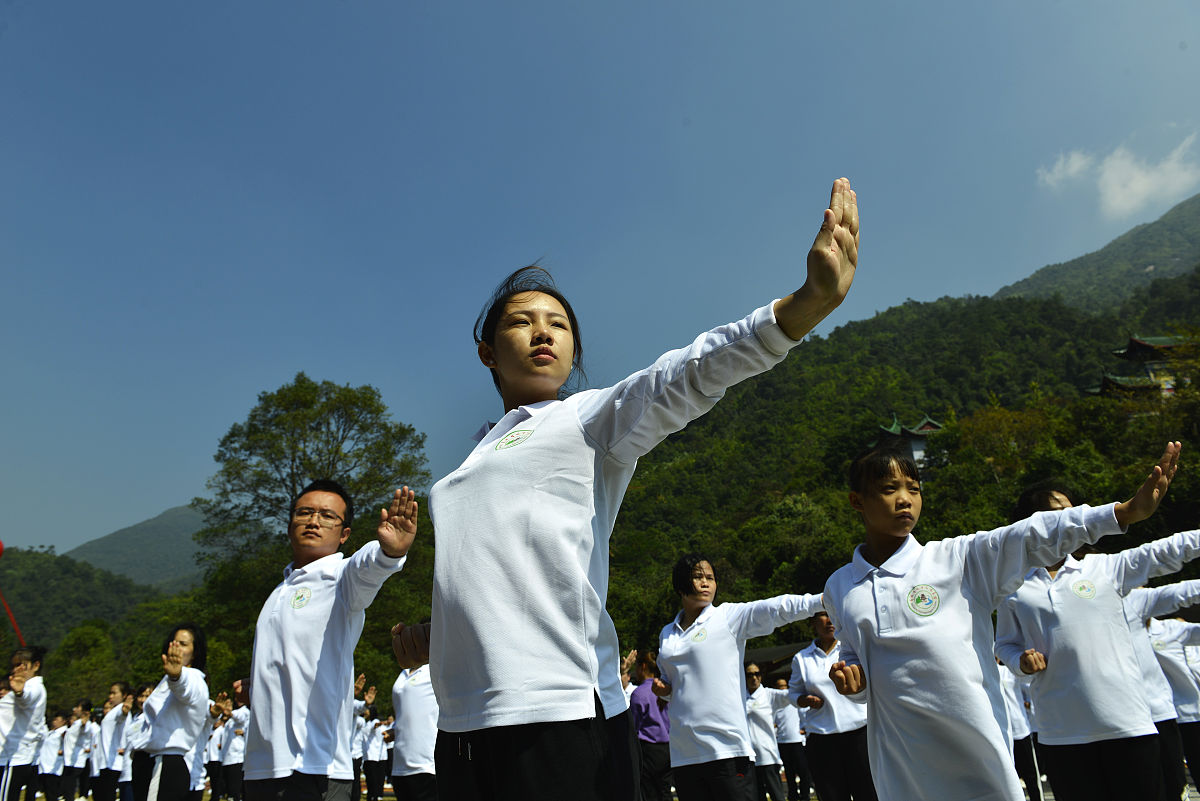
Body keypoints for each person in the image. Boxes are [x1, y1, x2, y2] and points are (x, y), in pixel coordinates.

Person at [389, 178, 860, 801]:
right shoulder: (469, 462)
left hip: (559, 715)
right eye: (521, 322)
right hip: (464, 727)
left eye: (558, 324)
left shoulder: (584, 419)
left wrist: (802, 307)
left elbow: (683, 375)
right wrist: (438, 635)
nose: (543, 332)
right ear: (486, 352)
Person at [824, 442, 1180, 801]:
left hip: (978, 760)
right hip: (900, 767)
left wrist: (1122, 513)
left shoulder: (957, 560)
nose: (905, 500)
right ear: (857, 501)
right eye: (890, 489)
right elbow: (857, 658)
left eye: (914, 489)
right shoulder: (840, 586)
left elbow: (1029, 534)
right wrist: (854, 683)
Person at [994, 479, 1197, 801]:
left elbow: (1163, 552)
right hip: (1061, 732)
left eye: (1073, 513)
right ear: (1031, 524)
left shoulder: (1105, 569)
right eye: (1056, 514)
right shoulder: (1013, 586)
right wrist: (1021, 661)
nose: (1069, 522)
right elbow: (1004, 643)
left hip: (1127, 725)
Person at [239, 481, 417, 801]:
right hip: (261, 766)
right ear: (290, 523)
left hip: (313, 768)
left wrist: (390, 552)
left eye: (326, 516)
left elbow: (368, 568)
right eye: (304, 512)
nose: (313, 521)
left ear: (344, 534)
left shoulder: (342, 577)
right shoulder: (278, 592)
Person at [656, 555, 824, 801]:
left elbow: (775, 608)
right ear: (681, 584)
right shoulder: (667, 633)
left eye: (710, 578)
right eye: (697, 577)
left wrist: (820, 601)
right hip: (685, 754)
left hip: (727, 750)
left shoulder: (727, 617)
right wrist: (665, 690)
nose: (705, 583)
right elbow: (674, 686)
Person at [787, 612, 875, 801]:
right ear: (813, 622)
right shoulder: (802, 658)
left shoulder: (851, 649)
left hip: (859, 733)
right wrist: (806, 700)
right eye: (823, 615)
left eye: (832, 615)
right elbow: (793, 695)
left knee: (869, 792)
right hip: (822, 738)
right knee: (831, 796)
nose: (829, 620)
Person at [133, 624, 210, 801]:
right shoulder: (167, 678)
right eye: (173, 643)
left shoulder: (193, 678)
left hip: (165, 763)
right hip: (149, 761)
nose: (175, 648)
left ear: (195, 652)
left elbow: (185, 689)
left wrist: (176, 677)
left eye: (183, 644)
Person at [2, 645, 48, 801]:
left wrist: (20, 693)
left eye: (21, 665)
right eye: (14, 666)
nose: (16, 670)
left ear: (36, 666)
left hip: (13, 758)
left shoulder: (34, 687)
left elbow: (26, 699)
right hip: (11, 758)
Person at [387, 664, 437, 801]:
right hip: (400, 765)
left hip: (426, 765)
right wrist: (396, 730)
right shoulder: (403, 673)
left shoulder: (434, 668)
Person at [743, 663, 791, 801]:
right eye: (749, 674)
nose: (754, 678)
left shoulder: (768, 694)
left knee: (777, 796)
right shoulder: (740, 696)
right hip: (749, 758)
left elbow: (792, 694)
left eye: (757, 674)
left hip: (767, 756)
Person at [627, 652, 671, 801]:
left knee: (648, 792)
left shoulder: (639, 694)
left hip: (648, 749)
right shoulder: (665, 689)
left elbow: (634, 726)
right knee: (665, 791)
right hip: (668, 748)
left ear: (643, 667)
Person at [94, 683, 132, 801]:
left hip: (114, 762)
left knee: (108, 795)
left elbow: (122, 715)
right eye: (110, 693)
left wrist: (124, 711)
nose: (111, 696)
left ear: (124, 695)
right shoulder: (112, 711)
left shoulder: (119, 710)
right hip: (106, 761)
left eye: (114, 693)